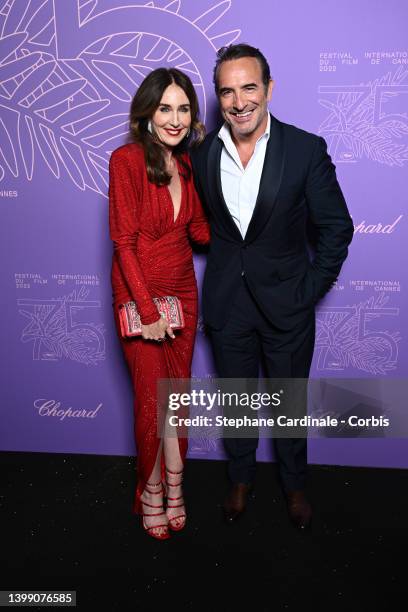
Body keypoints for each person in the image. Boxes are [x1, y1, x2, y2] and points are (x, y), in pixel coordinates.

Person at [191, 44, 354, 528]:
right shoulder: (201, 156)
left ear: (268, 89)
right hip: (228, 304)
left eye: (248, 87)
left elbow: (336, 227)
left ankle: (295, 485)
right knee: (237, 399)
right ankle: (240, 479)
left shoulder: (304, 149)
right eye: (227, 91)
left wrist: (310, 289)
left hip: (288, 302)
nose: (239, 101)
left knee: (288, 403)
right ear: (218, 96)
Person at [109, 68, 210, 540]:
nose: (175, 119)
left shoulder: (188, 165)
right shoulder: (126, 160)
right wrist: (147, 314)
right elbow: (123, 243)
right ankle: (150, 492)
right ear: (147, 113)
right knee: (152, 402)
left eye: (184, 108)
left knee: (175, 401)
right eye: (165, 108)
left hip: (185, 293)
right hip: (141, 292)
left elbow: (201, 233)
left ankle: (176, 488)